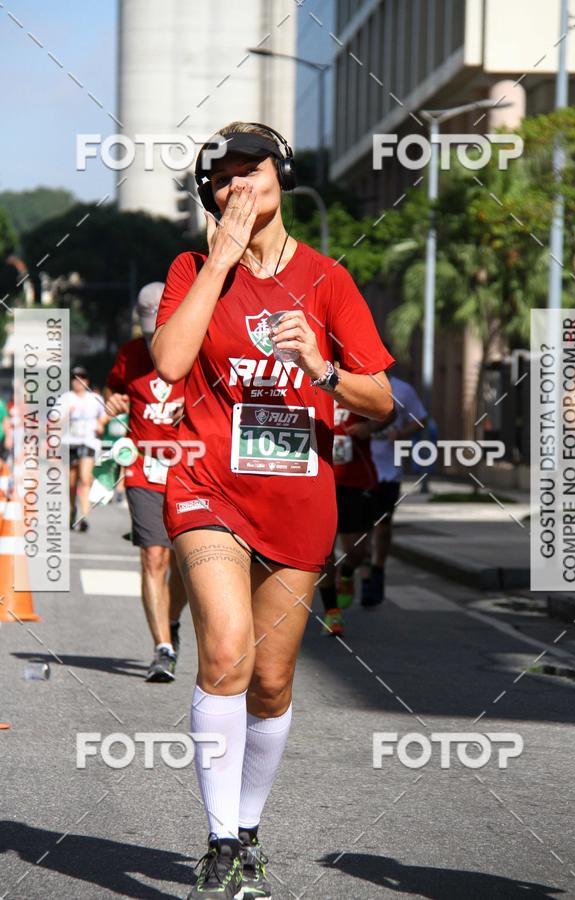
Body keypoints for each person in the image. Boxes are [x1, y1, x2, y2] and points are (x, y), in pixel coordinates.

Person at [150, 121, 394, 899]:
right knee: (224, 652)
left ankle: (246, 826)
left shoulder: (327, 280)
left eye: (252, 171)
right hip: (207, 487)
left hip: (296, 495)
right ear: (210, 195)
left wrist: (321, 369)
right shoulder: (193, 268)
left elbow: (381, 402)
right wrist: (220, 264)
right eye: (223, 178)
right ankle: (221, 844)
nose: (238, 187)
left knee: (272, 681)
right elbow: (170, 362)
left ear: (280, 179)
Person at [104, 283, 188, 682]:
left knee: (190, 566)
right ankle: (163, 649)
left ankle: (170, 621)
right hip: (144, 467)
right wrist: (114, 402)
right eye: (151, 332)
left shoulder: (199, 348)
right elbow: (113, 392)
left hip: (192, 470)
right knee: (155, 555)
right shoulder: (129, 355)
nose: (157, 341)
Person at [318, 398, 394, 636]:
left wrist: (369, 428)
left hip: (355, 480)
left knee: (357, 551)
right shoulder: (305, 377)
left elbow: (389, 409)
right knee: (323, 551)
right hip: (318, 479)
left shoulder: (354, 378)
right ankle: (332, 611)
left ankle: (348, 573)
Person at [364, 373, 427, 605]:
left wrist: (401, 434)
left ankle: (377, 572)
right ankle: (363, 573)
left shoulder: (401, 389)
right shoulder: (353, 384)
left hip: (389, 471)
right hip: (359, 469)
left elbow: (420, 419)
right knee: (361, 529)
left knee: (382, 526)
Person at [59, 366, 104, 531]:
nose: (78, 381)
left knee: (85, 480)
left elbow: (105, 415)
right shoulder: (66, 398)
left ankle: (84, 516)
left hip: (88, 442)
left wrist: (101, 424)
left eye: (82, 378)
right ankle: (72, 511)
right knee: (71, 483)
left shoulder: (95, 398)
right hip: (70, 443)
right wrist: (65, 415)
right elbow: (54, 421)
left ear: (87, 380)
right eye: (75, 377)